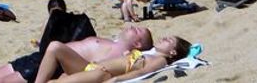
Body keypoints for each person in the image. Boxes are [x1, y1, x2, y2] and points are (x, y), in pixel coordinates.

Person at [0, 24, 156, 83]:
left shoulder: (121, 55)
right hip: (41, 58)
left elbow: (92, 72)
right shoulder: (112, 41)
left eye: (138, 30)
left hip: (52, 67)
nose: (133, 27)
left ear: (137, 43)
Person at [35, 35, 191, 83]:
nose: (164, 38)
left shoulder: (161, 61)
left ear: (172, 53)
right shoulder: (149, 53)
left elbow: (142, 73)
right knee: (55, 46)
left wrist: (117, 80)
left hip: (100, 74)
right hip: (90, 67)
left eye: (169, 41)